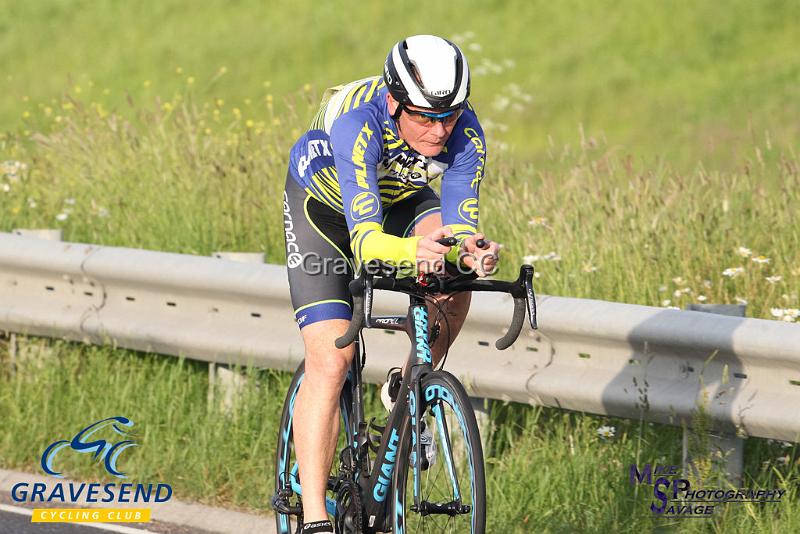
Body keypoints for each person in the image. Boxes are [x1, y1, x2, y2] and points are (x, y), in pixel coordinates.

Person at [282, 34, 500, 533]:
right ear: (394, 101)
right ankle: (315, 515)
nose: (441, 129)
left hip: (400, 198)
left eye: (450, 115)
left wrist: (472, 250)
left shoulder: (465, 132)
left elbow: (459, 217)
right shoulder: (357, 124)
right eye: (426, 117)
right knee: (332, 359)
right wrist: (408, 252)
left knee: (454, 274)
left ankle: (410, 386)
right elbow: (365, 237)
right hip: (327, 211)